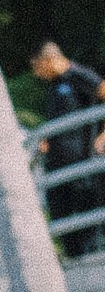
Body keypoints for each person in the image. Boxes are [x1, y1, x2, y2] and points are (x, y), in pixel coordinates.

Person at [32, 42, 105, 254]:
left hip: (82, 161)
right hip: (57, 162)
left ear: (49, 60)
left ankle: (90, 255)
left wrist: (103, 135)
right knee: (59, 211)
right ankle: (72, 255)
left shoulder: (78, 75)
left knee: (87, 218)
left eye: (38, 67)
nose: (37, 73)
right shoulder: (55, 85)